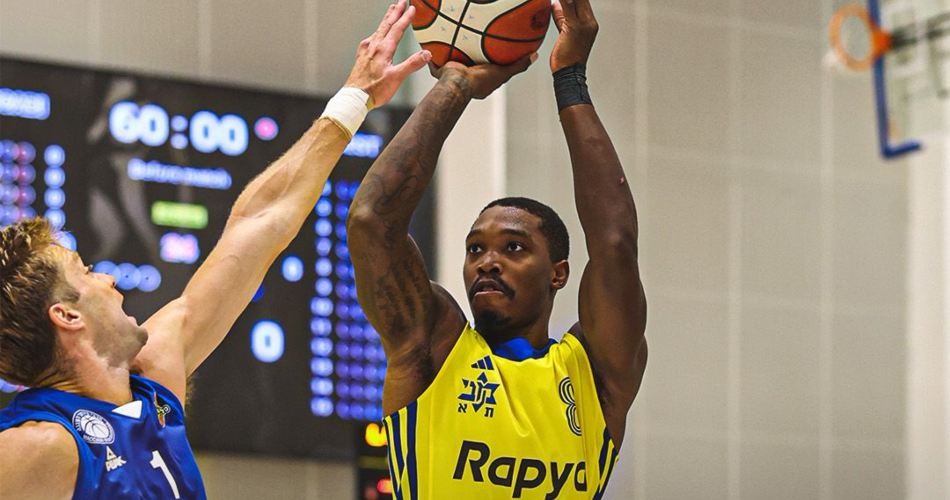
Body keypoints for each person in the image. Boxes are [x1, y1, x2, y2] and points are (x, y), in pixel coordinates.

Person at [0, 3, 430, 498]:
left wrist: (353, 99)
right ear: (66, 316)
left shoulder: (153, 379)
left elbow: (259, 223)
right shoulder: (39, 446)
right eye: (87, 271)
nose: (109, 279)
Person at [346, 0, 647, 497]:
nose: (487, 262)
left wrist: (570, 78)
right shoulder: (434, 347)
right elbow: (371, 221)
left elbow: (615, 244)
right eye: (475, 250)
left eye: (513, 247)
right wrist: (456, 85)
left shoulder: (593, 371)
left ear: (558, 272)